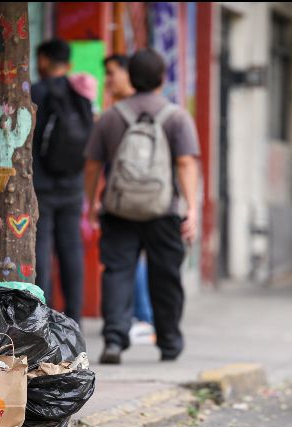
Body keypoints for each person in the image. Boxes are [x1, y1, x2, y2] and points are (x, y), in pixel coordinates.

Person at [84, 48, 200, 364]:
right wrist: (191, 208)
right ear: (162, 78)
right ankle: (169, 341)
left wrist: (92, 201)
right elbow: (186, 163)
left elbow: (92, 165)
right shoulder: (176, 117)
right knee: (166, 276)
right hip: (164, 210)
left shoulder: (111, 117)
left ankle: (114, 339)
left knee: (117, 272)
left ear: (131, 78)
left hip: (118, 209)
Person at [31, 39, 94, 326]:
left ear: (43, 60)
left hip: (41, 185)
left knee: (41, 250)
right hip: (72, 184)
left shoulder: (36, 92)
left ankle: (42, 316)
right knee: (71, 249)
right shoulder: (80, 92)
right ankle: (74, 317)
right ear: (68, 64)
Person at [103, 54, 156, 345]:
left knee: (126, 260)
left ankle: (143, 317)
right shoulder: (140, 110)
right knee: (133, 259)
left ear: (128, 74)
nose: (108, 80)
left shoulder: (121, 113)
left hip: (130, 195)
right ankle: (142, 318)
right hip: (145, 195)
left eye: (112, 73)